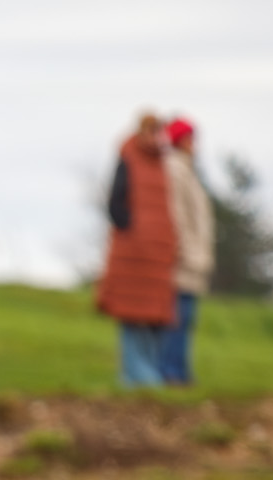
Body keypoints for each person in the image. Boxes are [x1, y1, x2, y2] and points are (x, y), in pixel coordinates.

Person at [96, 114, 179, 388]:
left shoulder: (163, 164)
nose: (157, 138)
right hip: (133, 254)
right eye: (153, 131)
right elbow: (116, 204)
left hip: (157, 255)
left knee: (155, 318)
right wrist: (135, 232)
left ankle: (147, 375)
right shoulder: (128, 158)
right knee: (132, 316)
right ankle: (135, 377)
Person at [160, 117, 214, 386]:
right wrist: (187, 251)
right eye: (191, 138)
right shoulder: (174, 169)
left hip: (193, 258)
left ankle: (180, 371)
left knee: (186, 318)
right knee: (177, 319)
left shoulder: (187, 170)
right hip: (183, 260)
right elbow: (178, 215)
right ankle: (172, 373)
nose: (195, 144)